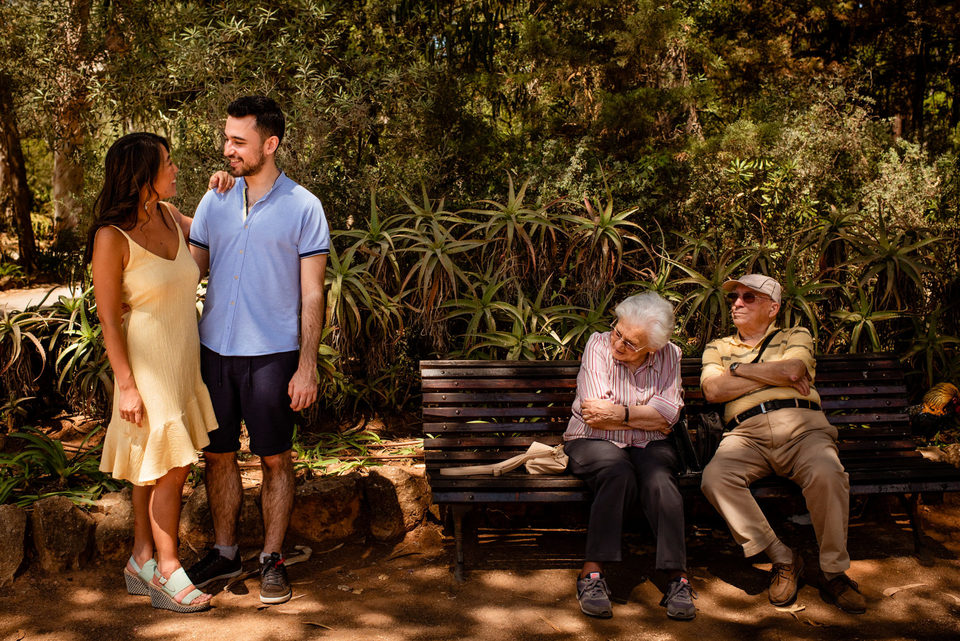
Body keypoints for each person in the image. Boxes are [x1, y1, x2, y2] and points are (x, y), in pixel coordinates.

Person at [185, 95, 329, 605]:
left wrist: (306, 365)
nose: (228, 149)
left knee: (275, 460)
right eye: (226, 138)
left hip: (273, 356)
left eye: (238, 141)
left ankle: (271, 559)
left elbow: (313, 291)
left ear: (270, 144)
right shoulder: (214, 200)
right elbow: (189, 272)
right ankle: (225, 554)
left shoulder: (304, 207)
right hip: (214, 353)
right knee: (218, 457)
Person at [89, 132, 233, 613]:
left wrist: (221, 191)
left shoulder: (171, 216)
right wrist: (126, 385)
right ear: (142, 174)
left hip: (181, 359)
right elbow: (109, 318)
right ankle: (170, 572)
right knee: (172, 466)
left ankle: (141, 559)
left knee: (151, 466)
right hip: (146, 367)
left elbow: (215, 236)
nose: (175, 170)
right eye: (167, 163)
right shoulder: (112, 236)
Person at [699, 274, 866, 614]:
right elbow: (713, 391)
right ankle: (784, 558)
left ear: (773, 308)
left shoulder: (795, 334)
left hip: (803, 429)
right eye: (736, 298)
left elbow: (793, 369)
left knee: (828, 473)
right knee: (715, 479)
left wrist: (737, 371)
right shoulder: (718, 346)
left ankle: (834, 572)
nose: (737, 303)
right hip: (745, 434)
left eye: (749, 298)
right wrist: (763, 370)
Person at [563, 291, 695, 620]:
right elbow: (594, 411)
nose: (618, 344)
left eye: (631, 343)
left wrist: (619, 413)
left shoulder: (671, 356)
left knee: (661, 481)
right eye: (617, 332)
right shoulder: (597, 344)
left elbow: (669, 415)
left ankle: (677, 577)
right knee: (616, 471)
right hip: (592, 440)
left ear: (654, 347)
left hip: (649, 445)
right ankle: (591, 574)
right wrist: (644, 415)